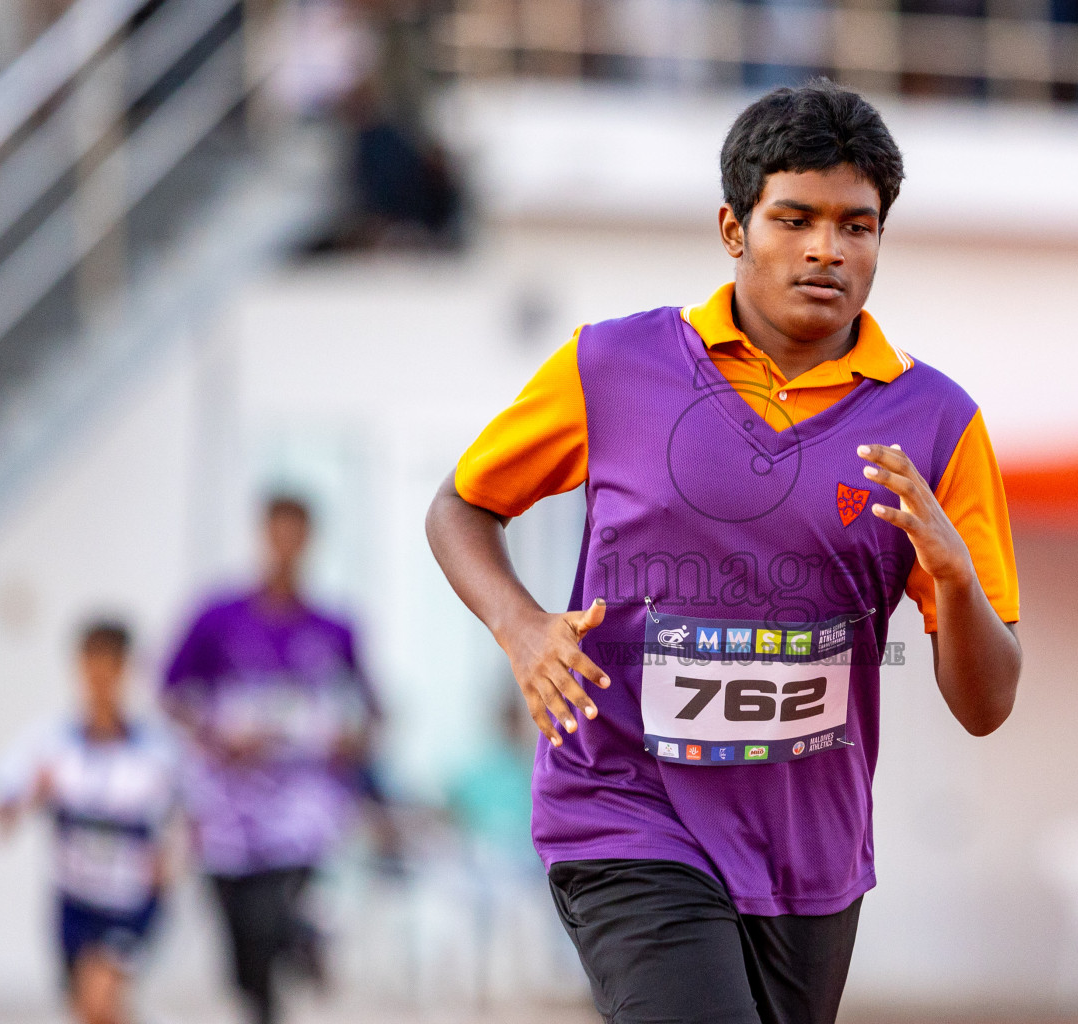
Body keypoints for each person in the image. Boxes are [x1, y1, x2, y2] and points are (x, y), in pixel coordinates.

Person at [426, 80, 1023, 1024]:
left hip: (809, 856)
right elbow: (461, 507)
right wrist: (523, 627)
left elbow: (987, 704)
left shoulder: (938, 425)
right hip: (623, 808)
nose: (827, 249)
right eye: (795, 218)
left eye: (857, 226)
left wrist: (953, 577)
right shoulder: (613, 367)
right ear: (733, 229)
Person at [162, 495, 379, 1024]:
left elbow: (369, 714)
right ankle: (266, 992)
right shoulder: (217, 616)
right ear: (262, 535)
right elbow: (172, 693)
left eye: (296, 535)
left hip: (300, 808)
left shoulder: (335, 628)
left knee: (275, 914)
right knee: (241, 948)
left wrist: (347, 743)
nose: (285, 547)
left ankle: (302, 938)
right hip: (229, 809)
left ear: (308, 541)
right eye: (276, 534)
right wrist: (218, 737)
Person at [0, 620, 179, 1024]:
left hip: (130, 900)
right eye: (92, 666)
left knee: (99, 1002)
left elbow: (187, 814)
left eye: (110, 666)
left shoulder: (156, 747)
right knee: (90, 1013)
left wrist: (171, 862)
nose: (100, 679)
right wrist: (30, 796)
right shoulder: (50, 741)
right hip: (74, 898)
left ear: (125, 670)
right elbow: (1, 810)